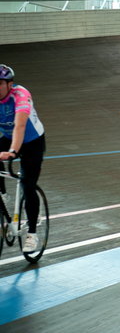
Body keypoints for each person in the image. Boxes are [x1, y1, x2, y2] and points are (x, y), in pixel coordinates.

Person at [0, 64, 46, 253]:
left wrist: (12, 151)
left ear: (10, 84)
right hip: (8, 137)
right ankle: (2, 193)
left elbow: (20, 126)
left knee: (28, 186)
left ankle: (32, 233)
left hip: (32, 142)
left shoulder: (20, 95)